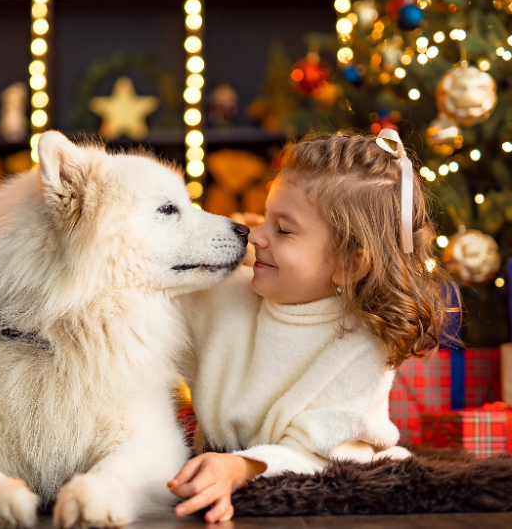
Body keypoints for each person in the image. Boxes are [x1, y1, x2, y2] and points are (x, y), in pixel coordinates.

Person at [168, 130, 459, 522]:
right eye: (265, 216)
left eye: (284, 229)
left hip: (321, 489)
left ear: (350, 263)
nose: (256, 236)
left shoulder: (361, 344)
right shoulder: (224, 294)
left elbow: (318, 455)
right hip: (221, 460)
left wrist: (239, 468)